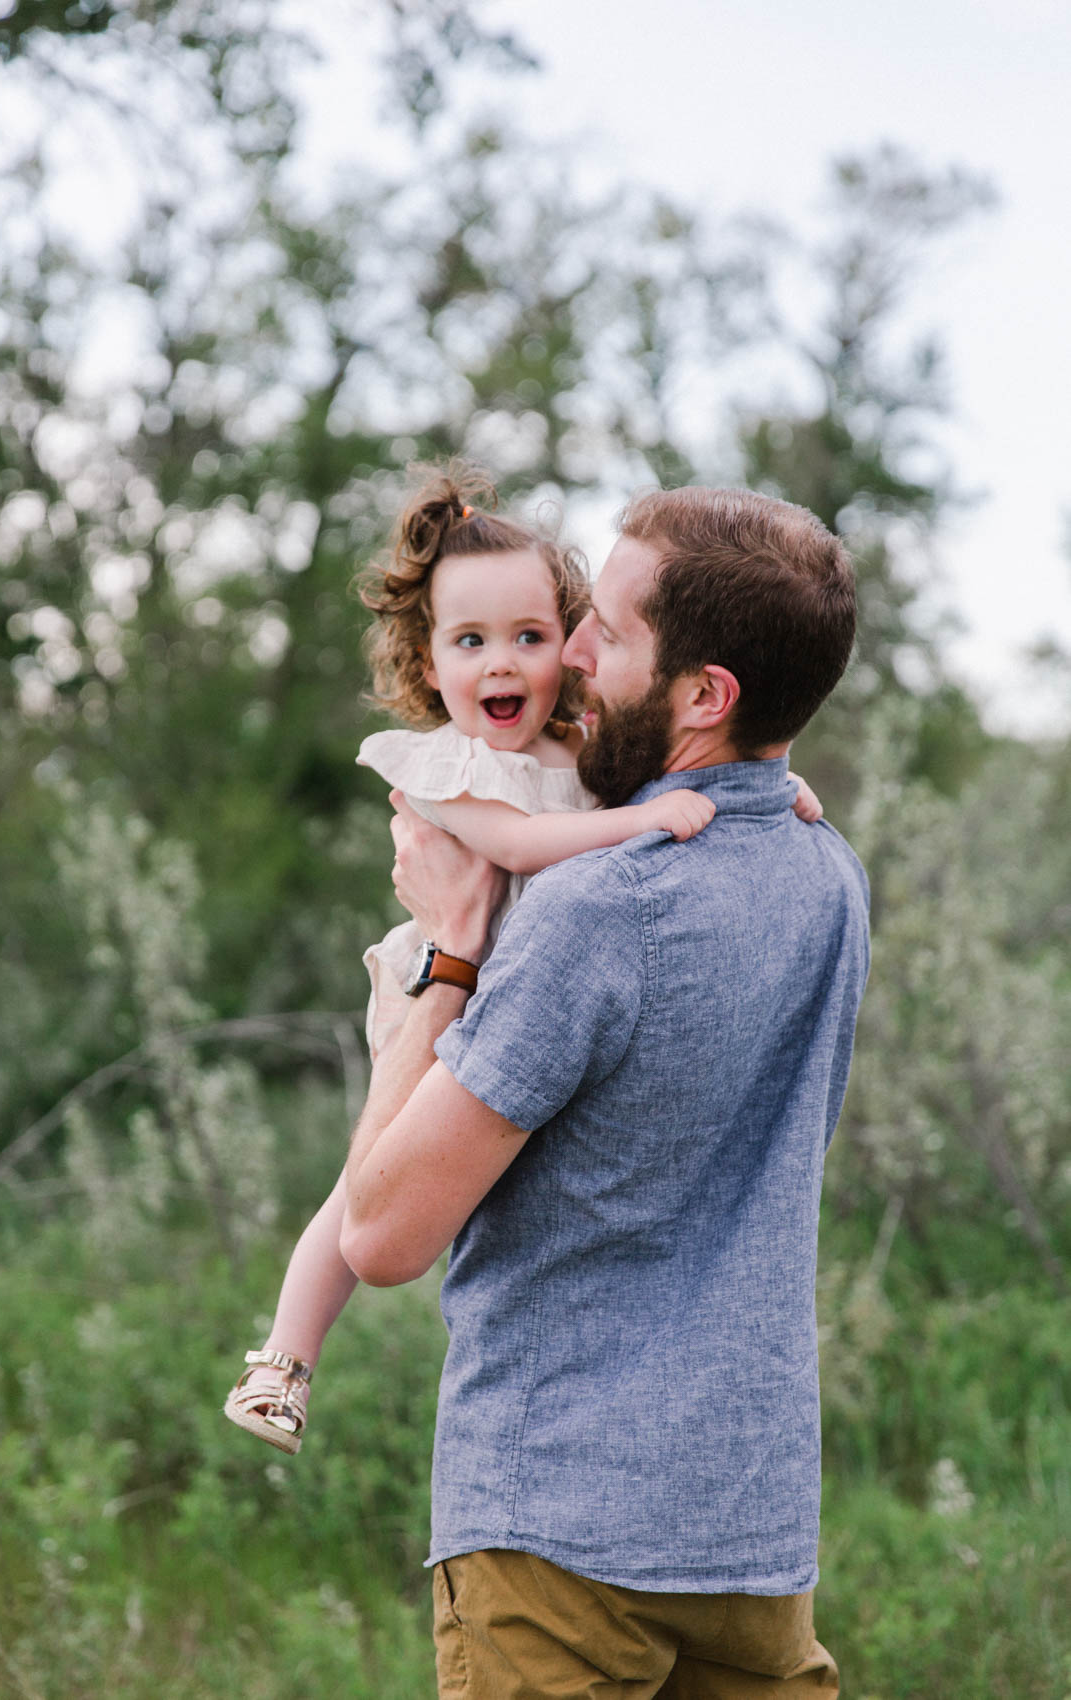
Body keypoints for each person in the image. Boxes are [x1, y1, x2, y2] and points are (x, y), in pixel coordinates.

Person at [338, 483, 870, 1699]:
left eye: (608, 634)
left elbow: (379, 1231)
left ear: (703, 695)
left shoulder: (592, 913)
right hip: (751, 1538)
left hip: (558, 1540)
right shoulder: (829, 877)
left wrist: (450, 951)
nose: (568, 649)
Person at [224, 470, 820, 1452]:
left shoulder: (580, 747)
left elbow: (703, 755)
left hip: (536, 1004)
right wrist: (646, 820)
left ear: (569, 642)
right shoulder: (448, 766)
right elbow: (516, 852)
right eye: (469, 641)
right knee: (362, 1188)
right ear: (428, 657)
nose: (501, 663)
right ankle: (283, 1361)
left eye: (528, 637)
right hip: (445, 985)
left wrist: (773, 785)